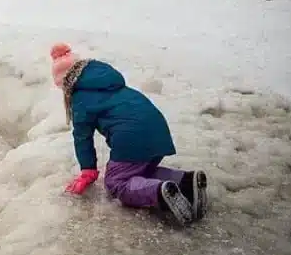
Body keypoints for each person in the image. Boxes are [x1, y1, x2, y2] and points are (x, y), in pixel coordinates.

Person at [50, 42, 208, 226]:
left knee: (116, 182)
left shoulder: (80, 99)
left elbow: (82, 137)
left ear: (67, 81)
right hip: (158, 130)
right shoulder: (108, 81)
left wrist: (88, 170)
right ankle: (186, 181)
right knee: (141, 171)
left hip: (131, 138)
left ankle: (159, 192)